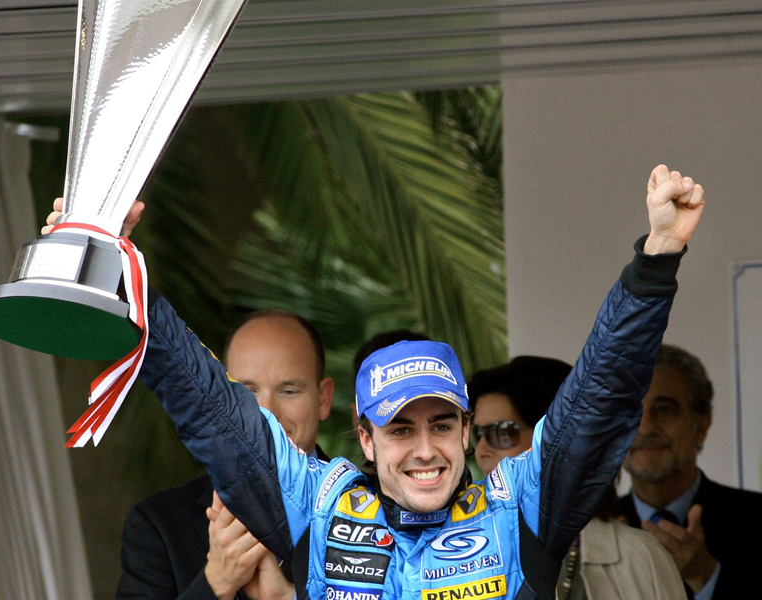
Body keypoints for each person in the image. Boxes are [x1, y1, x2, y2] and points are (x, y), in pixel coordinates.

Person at [133, 164, 703, 600]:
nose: (425, 449)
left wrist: (655, 262)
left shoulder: (516, 509)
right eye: (400, 428)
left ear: (463, 430)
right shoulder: (320, 505)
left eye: (442, 424)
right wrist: (126, 276)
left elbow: (597, 401)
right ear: (365, 438)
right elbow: (207, 403)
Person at [116, 309, 334, 600]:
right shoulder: (158, 525)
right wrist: (216, 583)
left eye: (289, 391)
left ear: (323, 399)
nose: (266, 413)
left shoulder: (376, 514)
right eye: (246, 393)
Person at [468, 356, 687, 600]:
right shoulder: (460, 556)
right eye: (478, 434)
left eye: (500, 432)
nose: (481, 451)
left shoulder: (639, 555)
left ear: (559, 440)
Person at [620, 344, 762, 600]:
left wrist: (706, 577)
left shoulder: (755, 520)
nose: (645, 428)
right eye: (631, 411)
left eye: (664, 409)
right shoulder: (591, 533)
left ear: (702, 425)